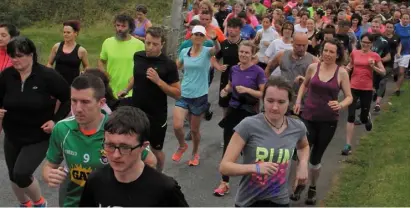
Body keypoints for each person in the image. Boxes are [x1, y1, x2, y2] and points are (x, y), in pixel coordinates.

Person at [42, 75, 156, 207]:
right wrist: (49, 175)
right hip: (75, 203)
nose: (77, 109)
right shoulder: (62, 129)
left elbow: (151, 161)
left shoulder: (119, 129)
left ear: (101, 103)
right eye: (74, 101)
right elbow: (49, 166)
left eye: (85, 102)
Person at [0, 36, 71, 207]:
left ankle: (40, 203)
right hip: (12, 135)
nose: (14, 60)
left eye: (19, 55)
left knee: (22, 173)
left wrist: (55, 120)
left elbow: (68, 98)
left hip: (39, 135)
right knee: (13, 175)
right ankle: (25, 204)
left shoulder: (47, 76)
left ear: (31, 54)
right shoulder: (6, 76)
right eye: (12, 56)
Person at [219, 76, 310, 207]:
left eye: (281, 102)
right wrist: (255, 168)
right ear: (263, 100)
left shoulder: (297, 127)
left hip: (280, 200)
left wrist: (302, 165)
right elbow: (225, 167)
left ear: (289, 102)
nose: (274, 107)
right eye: (270, 101)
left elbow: (304, 146)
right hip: (249, 201)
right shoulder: (248, 125)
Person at [77, 106, 189, 207]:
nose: (116, 155)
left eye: (125, 148)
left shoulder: (164, 189)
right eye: (110, 145)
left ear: (143, 146)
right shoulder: (96, 181)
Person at [291, 39, 353, 204]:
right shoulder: (313, 67)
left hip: (328, 121)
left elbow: (349, 97)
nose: (327, 54)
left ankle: (312, 187)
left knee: (315, 159)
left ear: (338, 54)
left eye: (332, 51)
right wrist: (298, 102)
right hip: (308, 117)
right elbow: (304, 85)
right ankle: (299, 183)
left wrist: (340, 104)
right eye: (325, 50)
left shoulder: (341, 73)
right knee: (302, 152)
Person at [118, 27, 181, 172]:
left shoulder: (168, 64)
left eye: (155, 44)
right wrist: (126, 89)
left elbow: (177, 94)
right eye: (148, 43)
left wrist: (159, 81)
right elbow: (136, 75)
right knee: (134, 144)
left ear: (162, 44)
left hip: (156, 115)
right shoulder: (138, 56)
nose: (150, 47)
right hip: (137, 111)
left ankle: (159, 174)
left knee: (156, 150)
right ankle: (134, 174)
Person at [214, 40, 266, 197]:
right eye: (241, 52)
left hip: (249, 112)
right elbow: (231, 85)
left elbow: (263, 93)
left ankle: (256, 181)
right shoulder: (234, 69)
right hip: (233, 110)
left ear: (252, 54)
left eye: (246, 52)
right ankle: (224, 183)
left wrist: (248, 90)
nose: (243, 54)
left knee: (250, 148)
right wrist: (225, 90)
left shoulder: (258, 71)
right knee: (228, 145)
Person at [172, 25, 220, 166]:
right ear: (191, 36)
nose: (198, 36)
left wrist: (215, 39)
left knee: (194, 130)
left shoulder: (206, 51)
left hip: (199, 96)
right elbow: (177, 66)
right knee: (177, 125)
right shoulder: (185, 51)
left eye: (201, 34)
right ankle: (182, 146)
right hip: (184, 94)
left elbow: (217, 49)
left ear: (204, 37)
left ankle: (195, 152)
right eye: (195, 34)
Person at [342, 33, 386, 155]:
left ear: (371, 44)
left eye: (368, 43)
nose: (365, 45)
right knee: (351, 116)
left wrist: (373, 67)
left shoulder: (375, 56)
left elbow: (383, 72)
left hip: (367, 88)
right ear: (360, 42)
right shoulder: (355, 53)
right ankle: (348, 145)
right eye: (363, 42)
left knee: (362, 117)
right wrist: (347, 69)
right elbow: (351, 64)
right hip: (353, 87)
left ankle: (366, 118)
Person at [265, 33, 320, 108]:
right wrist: (269, 88)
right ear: (292, 43)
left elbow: (319, 84)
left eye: (304, 45)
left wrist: (305, 81)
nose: (301, 48)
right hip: (283, 100)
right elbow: (268, 69)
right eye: (298, 45)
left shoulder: (314, 61)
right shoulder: (282, 55)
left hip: (302, 104)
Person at [98, 14, 145, 98]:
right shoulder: (107, 42)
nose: (119, 29)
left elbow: (143, 67)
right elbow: (101, 61)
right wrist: (103, 73)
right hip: (111, 91)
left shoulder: (139, 45)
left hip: (130, 92)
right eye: (118, 25)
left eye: (123, 26)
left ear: (130, 28)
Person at [215, 17, 244, 117]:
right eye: (229, 27)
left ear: (239, 29)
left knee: (240, 112)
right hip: (225, 80)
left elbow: (254, 59)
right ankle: (227, 132)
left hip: (242, 81)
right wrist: (218, 67)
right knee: (225, 112)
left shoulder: (244, 44)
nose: (231, 29)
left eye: (234, 27)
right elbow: (214, 58)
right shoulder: (223, 44)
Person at [46, 20, 89, 84]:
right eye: (64, 32)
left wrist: (83, 73)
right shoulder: (56, 47)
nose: (65, 35)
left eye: (68, 32)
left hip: (73, 85)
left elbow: (86, 66)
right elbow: (49, 63)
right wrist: (50, 73)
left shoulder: (81, 51)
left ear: (75, 33)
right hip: (56, 83)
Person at [394, 13, 410, 96]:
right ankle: (395, 75)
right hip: (396, 51)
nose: (405, 20)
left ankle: (397, 88)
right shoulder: (396, 26)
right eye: (404, 18)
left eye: (407, 18)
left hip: (407, 52)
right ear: (401, 19)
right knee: (396, 70)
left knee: (401, 71)